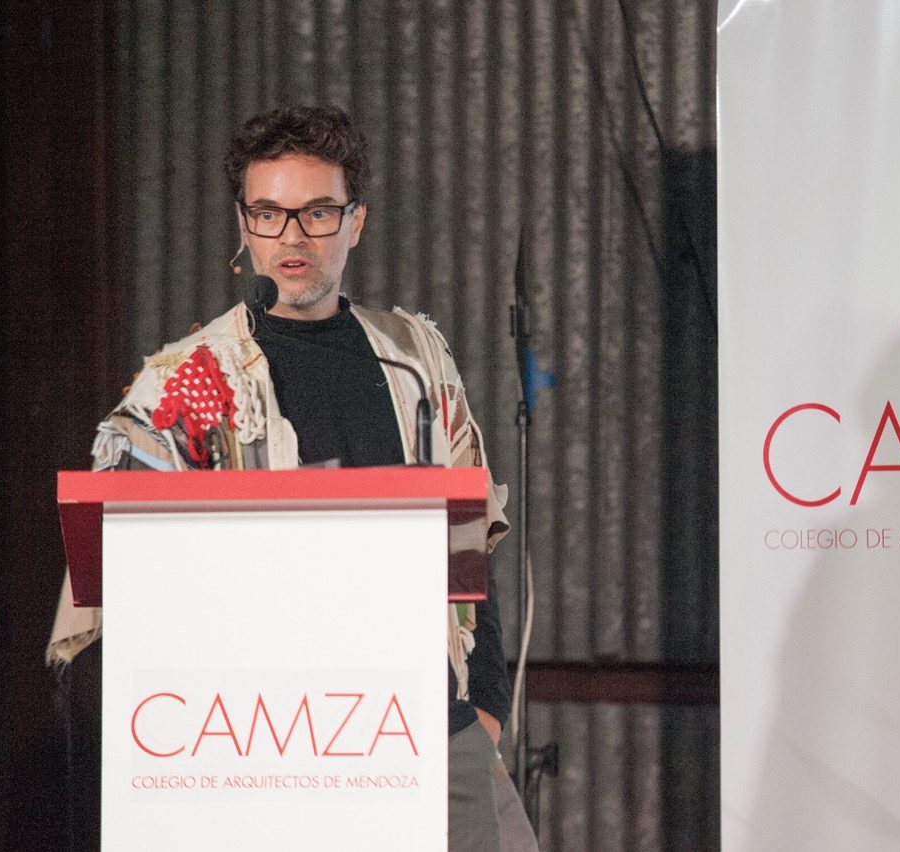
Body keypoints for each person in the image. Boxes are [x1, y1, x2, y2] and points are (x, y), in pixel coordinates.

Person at [46, 105, 536, 852]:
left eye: (318, 212)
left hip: (426, 727)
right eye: (269, 214)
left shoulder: (415, 357)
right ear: (244, 226)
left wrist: (488, 706)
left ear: (355, 222)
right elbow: (120, 573)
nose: (293, 237)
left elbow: (468, 541)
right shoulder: (191, 379)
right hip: (270, 745)